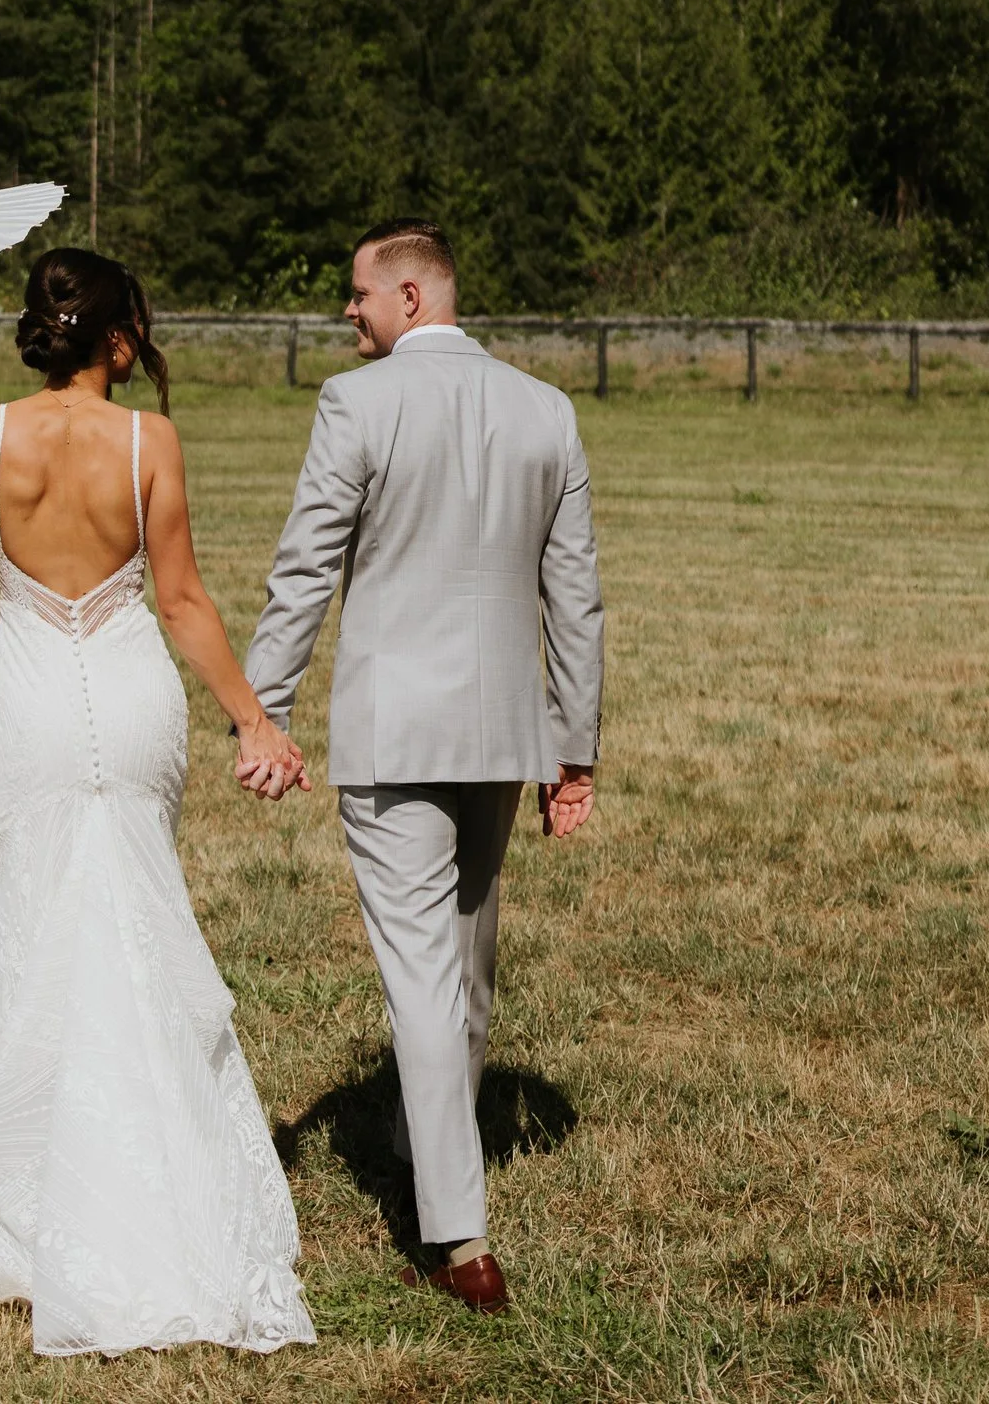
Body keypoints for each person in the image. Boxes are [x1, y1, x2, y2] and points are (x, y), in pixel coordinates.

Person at [0, 246, 317, 1357]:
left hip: (34, 704)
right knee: (138, 917)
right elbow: (185, 598)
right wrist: (254, 718)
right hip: (133, 691)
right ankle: (168, 1164)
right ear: (117, 337)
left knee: (38, 918)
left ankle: (49, 1185)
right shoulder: (150, 439)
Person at [242, 219, 603, 1318]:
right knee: (463, 963)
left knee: (427, 980)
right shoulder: (546, 409)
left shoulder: (357, 405)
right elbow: (574, 595)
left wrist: (259, 704)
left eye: (357, 293)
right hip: (503, 732)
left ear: (407, 296)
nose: (346, 311)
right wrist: (574, 747)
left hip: (396, 733)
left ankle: (457, 1238)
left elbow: (305, 563)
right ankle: (425, 1145)